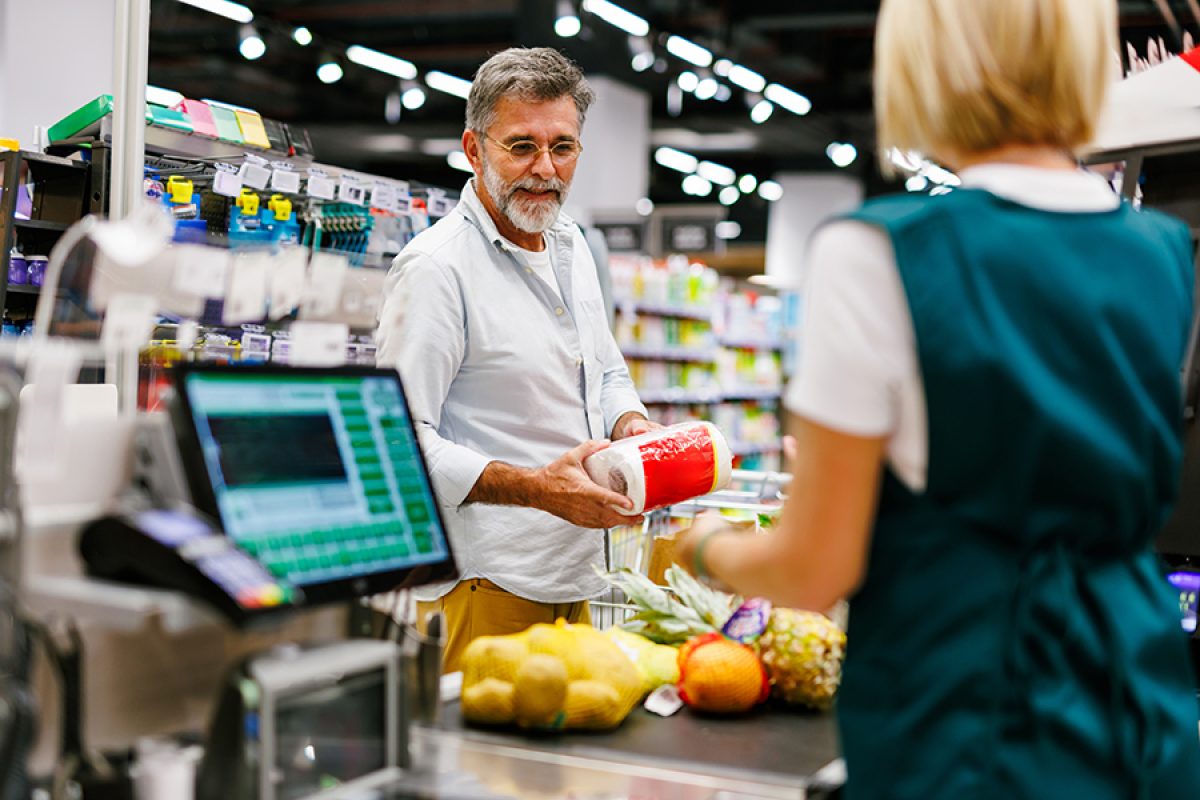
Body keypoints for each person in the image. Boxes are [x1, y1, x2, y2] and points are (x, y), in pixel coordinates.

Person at [678, 0, 1200, 797]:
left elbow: (816, 569)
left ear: (926, 60)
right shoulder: (1161, 252)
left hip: (970, 720)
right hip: (1141, 698)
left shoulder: (881, 251)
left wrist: (705, 545)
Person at [376, 48, 656, 674]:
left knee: (560, 768)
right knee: (476, 769)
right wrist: (535, 489)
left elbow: (604, 370)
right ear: (474, 150)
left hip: (577, 573)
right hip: (485, 585)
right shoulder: (436, 270)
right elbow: (398, 440)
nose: (545, 170)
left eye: (563, 147)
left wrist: (631, 427)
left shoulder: (571, 244)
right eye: (521, 146)